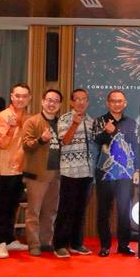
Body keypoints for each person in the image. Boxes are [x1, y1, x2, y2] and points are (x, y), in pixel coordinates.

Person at [93, 90, 140, 257]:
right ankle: (105, 246)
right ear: (108, 103)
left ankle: (123, 245)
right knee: (104, 211)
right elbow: (96, 141)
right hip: (105, 173)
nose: (116, 104)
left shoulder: (132, 123)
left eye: (120, 101)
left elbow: (135, 147)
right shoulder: (99, 121)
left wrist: (137, 169)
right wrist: (107, 132)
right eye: (113, 101)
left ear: (125, 103)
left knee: (124, 210)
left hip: (125, 174)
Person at [52, 89, 95, 258]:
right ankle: (60, 245)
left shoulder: (91, 121)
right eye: (77, 99)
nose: (81, 102)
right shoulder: (64, 119)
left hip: (87, 171)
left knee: (80, 210)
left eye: (84, 99)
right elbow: (64, 141)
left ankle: (76, 244)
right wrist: (75, 124)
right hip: (69, 171)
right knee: (65, 209)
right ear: (71, 102)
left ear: (87, 102)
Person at [22, 89, 63, 256]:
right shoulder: (32, 122)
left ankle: (46, 242)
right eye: (49, 100)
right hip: (37, 175)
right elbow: (25, 145)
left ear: (60, 105)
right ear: (42, 101)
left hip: (56, 174)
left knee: (50, 211)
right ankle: (33, 244)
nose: (51, 103)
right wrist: (41, 140)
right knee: (34, 212)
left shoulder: (62, 123)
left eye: (55, 101)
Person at [0, 83, 31, 258]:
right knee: (4, 206)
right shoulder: (3, 116)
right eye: (18, 96)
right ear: (11, 96)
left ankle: (9, 239)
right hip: (7, 168)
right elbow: (2, 143)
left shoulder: (29, 118)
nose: (21, 99)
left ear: (29, 98)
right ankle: (0, 243)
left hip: (23, 168)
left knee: (14, 205)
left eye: (24, 96)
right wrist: (10, 127)